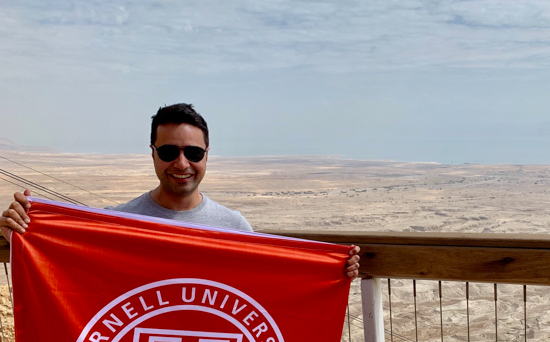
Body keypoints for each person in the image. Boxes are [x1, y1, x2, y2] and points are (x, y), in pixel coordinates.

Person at [0, 103, 360, 278]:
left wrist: (332, 270)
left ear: (207, 155)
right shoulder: (117, 223)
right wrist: (20, 233)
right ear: (153, 153)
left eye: (194, 153)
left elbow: (272, 284)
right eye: (170, 152)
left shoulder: (233, 226)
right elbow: (64, 269)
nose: (182, 164)